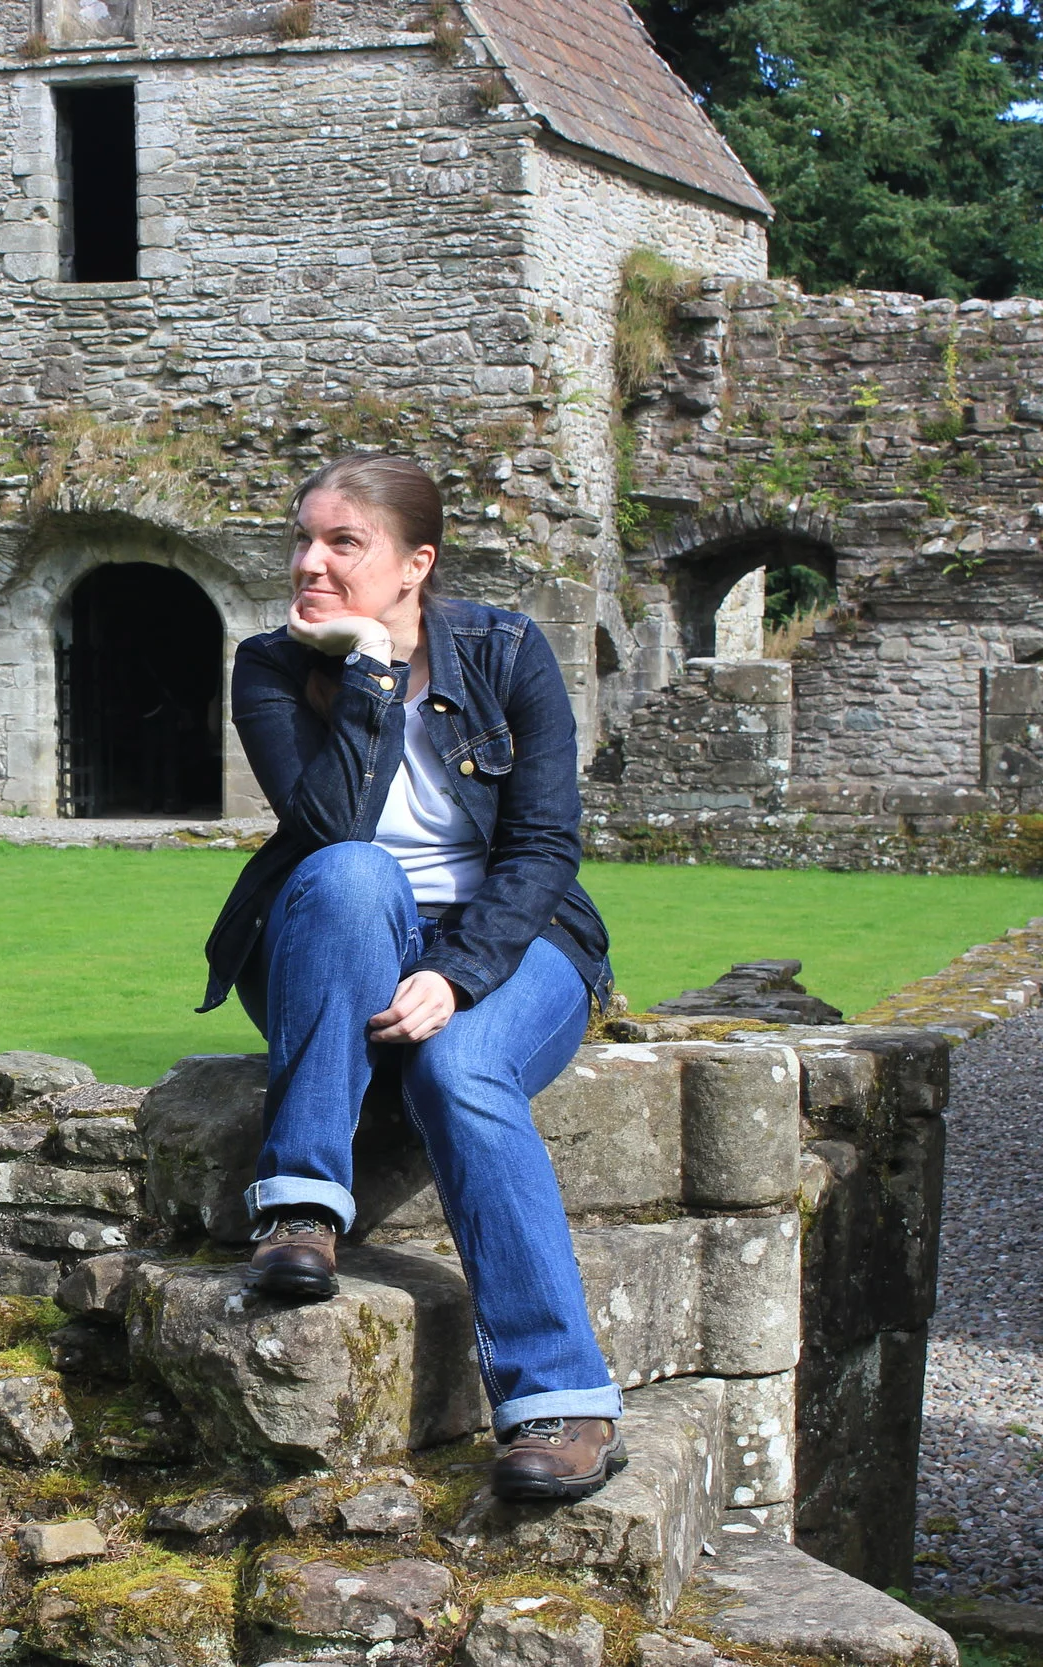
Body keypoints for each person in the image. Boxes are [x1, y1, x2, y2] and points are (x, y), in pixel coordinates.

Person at [198, 453, 625, 1503]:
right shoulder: (269, 665)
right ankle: (302, 1206)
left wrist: (461, 974)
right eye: (303, 538)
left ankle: (561, 1399)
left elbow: (543, 847)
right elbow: (328, 830)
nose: (310, 562)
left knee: (460, 1070)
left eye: (343, 542)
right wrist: (372, 672)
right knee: (352, 870)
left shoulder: (507, 650)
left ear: (415, 563)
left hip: (514, 938)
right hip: (336, 938)